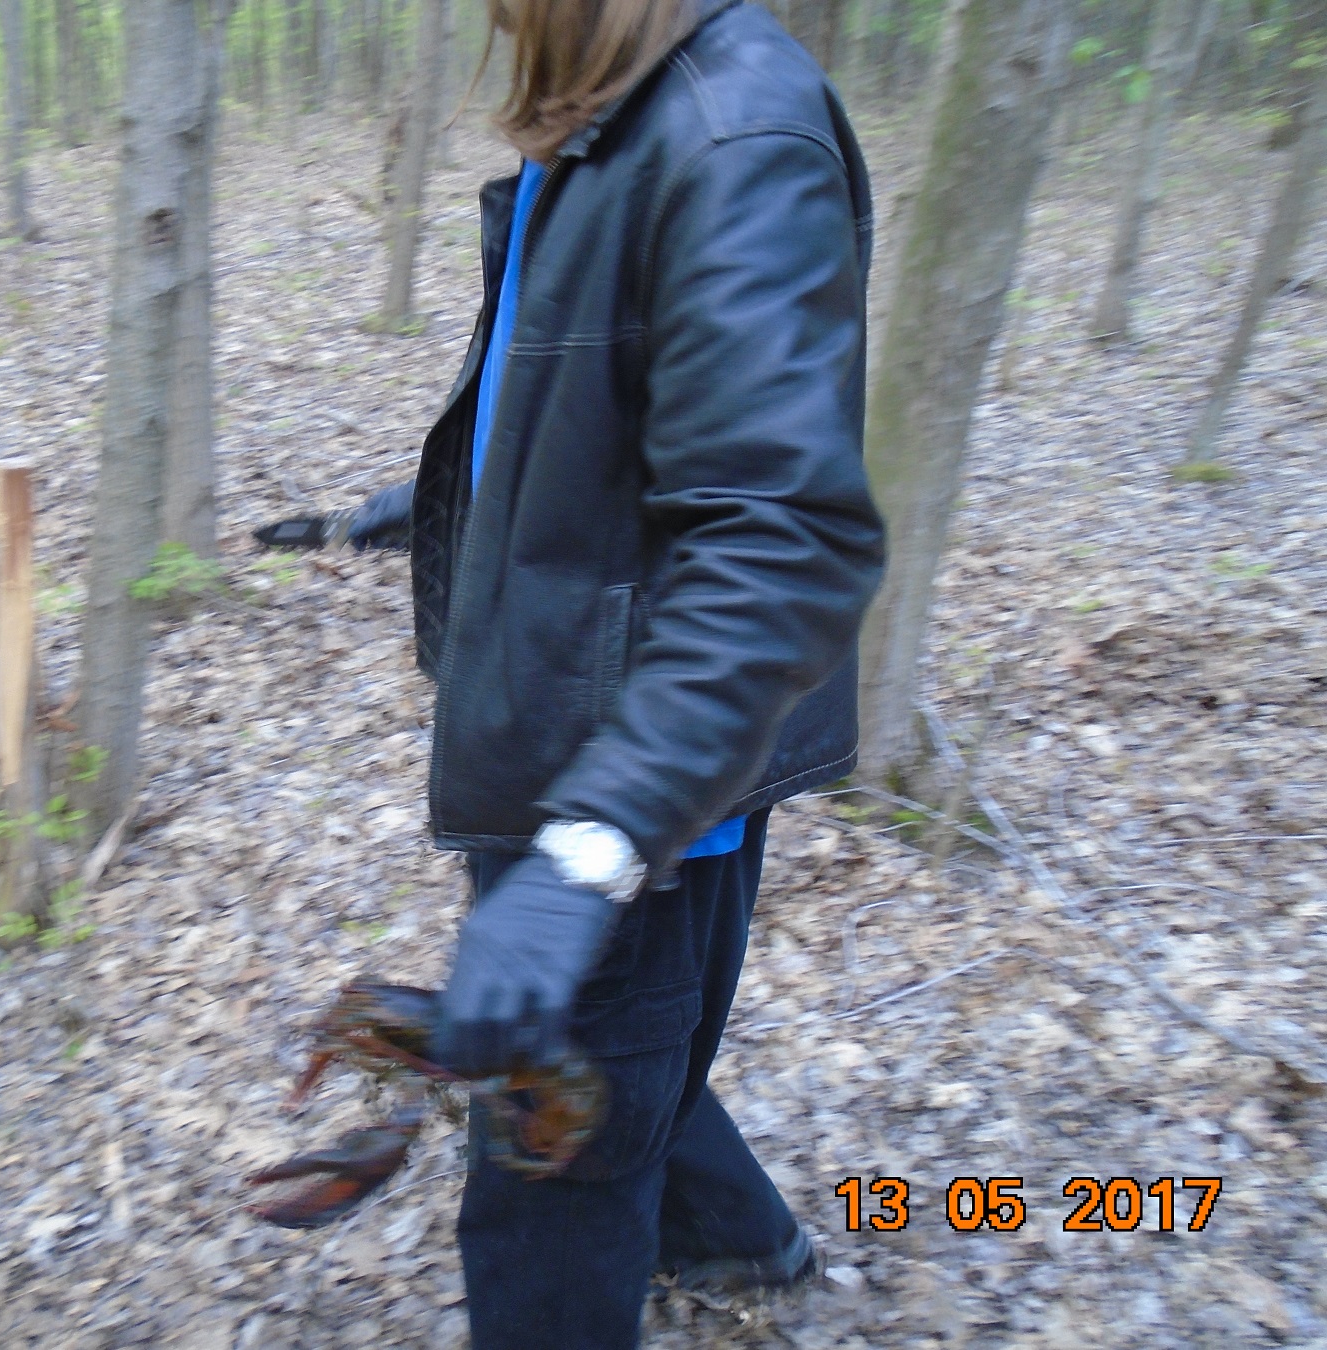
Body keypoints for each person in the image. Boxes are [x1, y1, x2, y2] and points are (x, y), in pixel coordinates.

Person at [342, 2, 884, 1345]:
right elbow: (613, 395)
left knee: (553, 1178)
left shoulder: (732, 129)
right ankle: (742, 1242)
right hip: (580, 740)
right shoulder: (614, 109)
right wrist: (455, 498)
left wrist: (588, 856)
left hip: (627, 786)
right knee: (605, 1037)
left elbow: (780, 538)